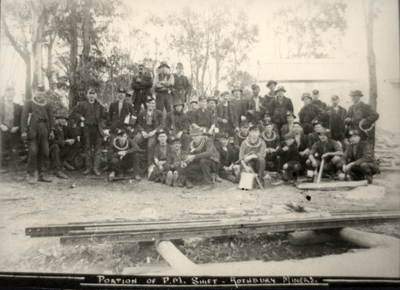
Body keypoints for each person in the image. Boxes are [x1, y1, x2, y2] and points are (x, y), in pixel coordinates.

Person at [21, 85, 55, 183]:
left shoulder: (47, 104)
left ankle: (43, 174)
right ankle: (31, 174)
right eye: (38, 91)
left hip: (44, 129)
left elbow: (51, 117)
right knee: (33, 151)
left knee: (45, 152)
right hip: (32, 129)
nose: (39, 94)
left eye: (42, 92)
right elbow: (24, 117)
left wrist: (51, 130)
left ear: (44, 93)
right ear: (34, 91)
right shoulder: (29, 102)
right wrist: (24, 131)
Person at [71, 87, 107, 176]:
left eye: (93, 94)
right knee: (87, 148)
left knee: (98, 149)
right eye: (90, 94)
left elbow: (105, 116)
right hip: (86, 129)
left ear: (96, 95)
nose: (91, 96)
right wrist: (81, 117)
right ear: (87, 95)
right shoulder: (82, 105)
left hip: (97, 129)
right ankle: (88, 168)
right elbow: (73, 113)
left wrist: (104, 126)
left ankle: (96, 168)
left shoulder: (100, 105)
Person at [134, 96, 165, 167]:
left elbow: (162, 124)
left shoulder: (159, 113)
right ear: (146, 104)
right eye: (149, 103)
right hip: (144, 131)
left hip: (153, 132)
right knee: (136, 140)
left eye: (153, 103)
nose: (151, 105)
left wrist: (154, 131)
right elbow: (138, 124)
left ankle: (149, 165)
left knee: (150, 145)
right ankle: (138, 165)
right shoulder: (142, 113)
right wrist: (142, 131)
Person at [0, 86, 22, 172]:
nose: (10, 95)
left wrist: (17, 127)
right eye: (9, 93)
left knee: (14, 150)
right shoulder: (0, 105)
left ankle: (13, 170)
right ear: (5, 93)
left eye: (12, 94)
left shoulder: (18, 107)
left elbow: (22, 120)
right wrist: (1, 125)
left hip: (13, 131)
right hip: (1, 130)